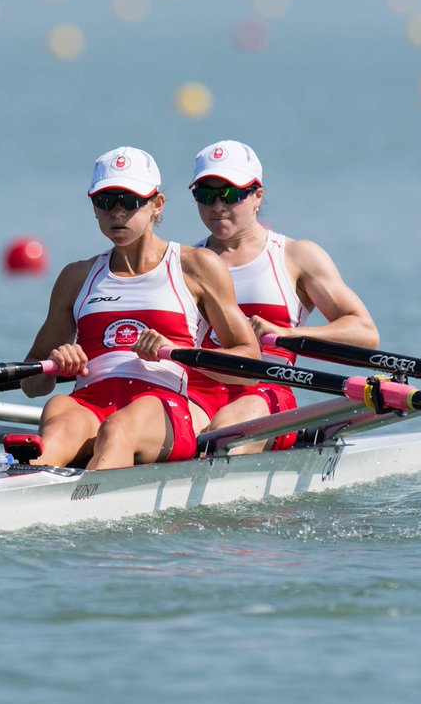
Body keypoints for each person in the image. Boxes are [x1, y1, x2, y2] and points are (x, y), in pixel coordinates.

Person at [20, 145, 259, 470]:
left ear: (157, 204)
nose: (117, 212)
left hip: (162, 405)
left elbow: (249, 362)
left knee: (118, 429)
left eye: (130, 201)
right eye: (105, 202)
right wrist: (54, 363)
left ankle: (84, 505)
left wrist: (175, 352)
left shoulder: (196, 266)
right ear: (93, 206)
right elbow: (31, 383)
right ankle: (21, 490)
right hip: (88, 402)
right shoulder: (76, 277)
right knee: (59, 417)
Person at [184, 140, 379, 452]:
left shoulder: (295, 256)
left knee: (223, 438)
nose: (217, 206)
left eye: (231, 194)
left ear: (257, 195)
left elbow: (365, 333)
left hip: (266, 390)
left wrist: (289, 333)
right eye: (205, 195)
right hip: (197, 388)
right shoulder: (183, 262)